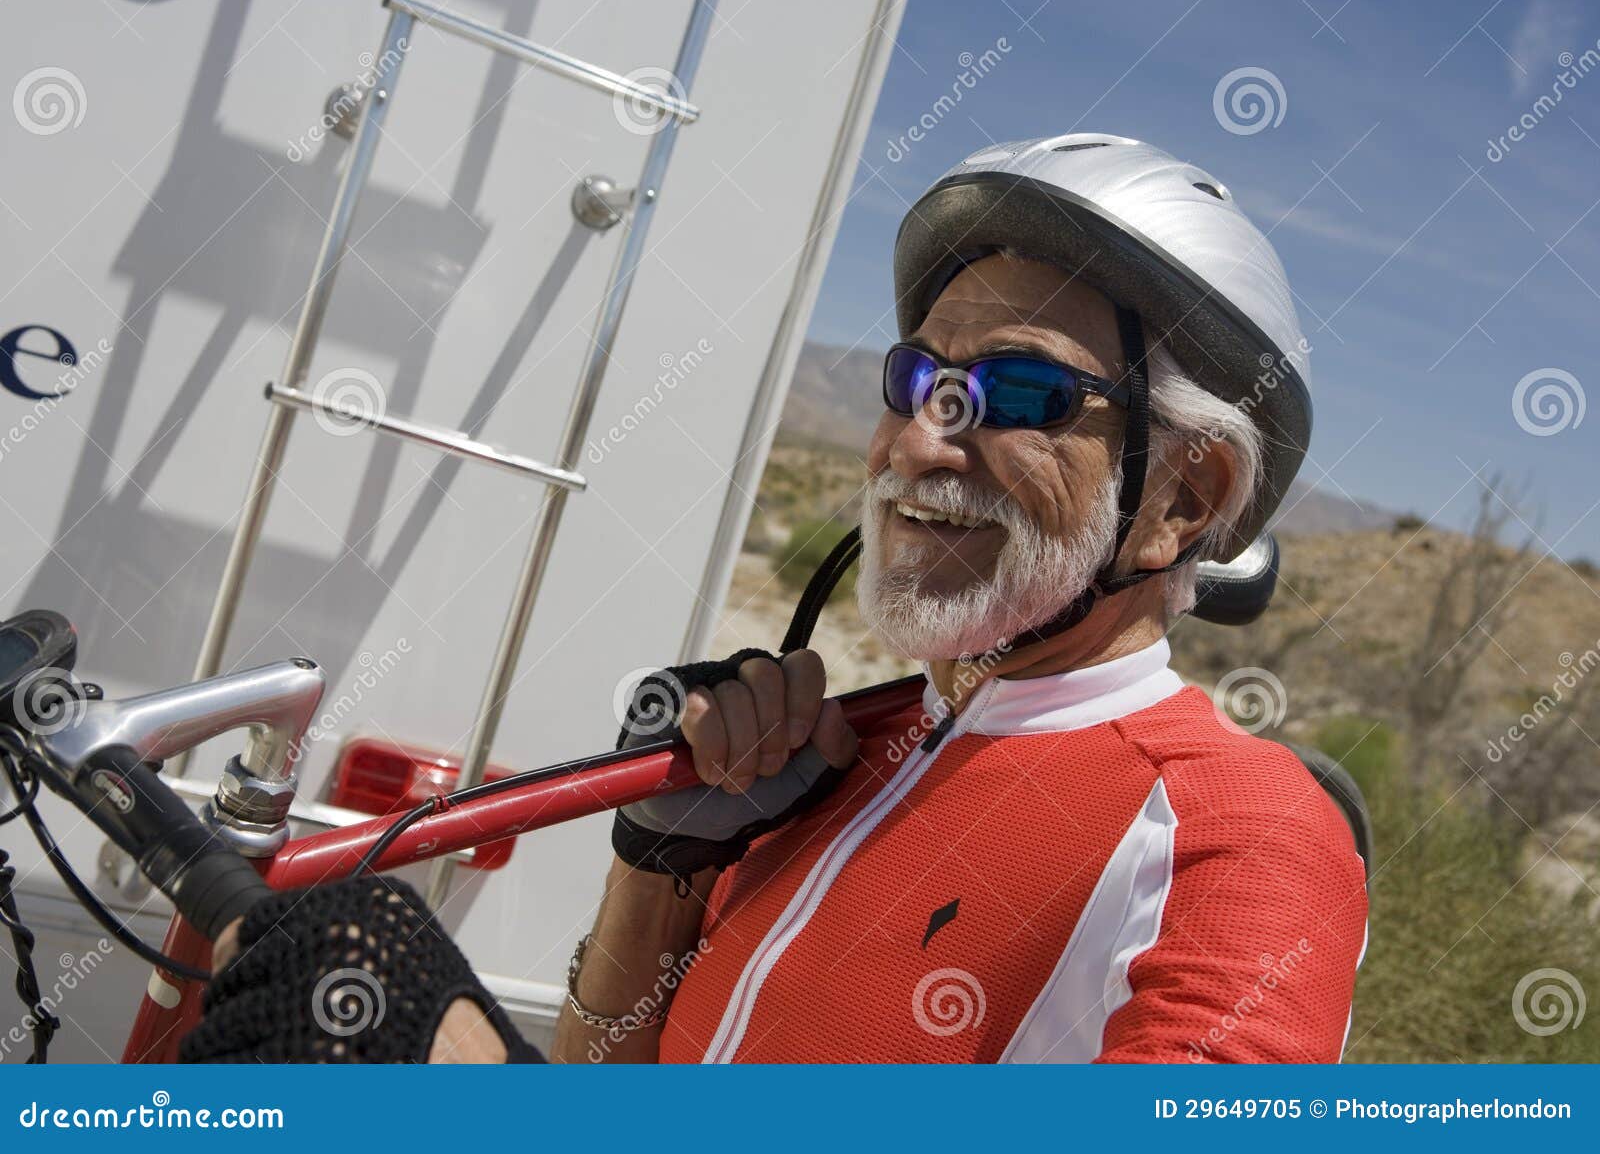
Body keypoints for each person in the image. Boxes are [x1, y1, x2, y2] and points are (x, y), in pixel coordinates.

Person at [185, 133, 1366, 1064]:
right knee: (346, 962)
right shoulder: (851, 748)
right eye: (919, 377)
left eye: (1014, 390)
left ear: (1181, 495)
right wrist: (657, 871)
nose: (919, 440)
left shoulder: (1240, 831)